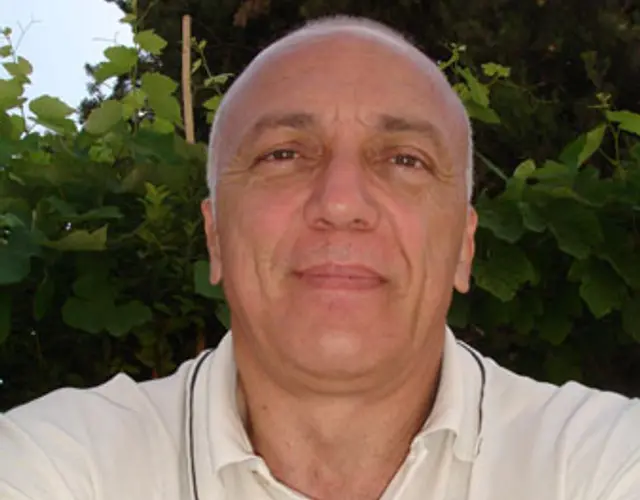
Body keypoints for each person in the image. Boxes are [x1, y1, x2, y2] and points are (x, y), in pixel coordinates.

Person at [1, 15, 639, 500]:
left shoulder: (602, 463)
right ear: (215, 236)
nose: (340, 203)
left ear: (464, 247)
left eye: (405, 160)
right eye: (283, 154)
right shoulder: (55, 466)